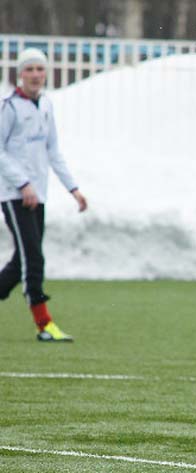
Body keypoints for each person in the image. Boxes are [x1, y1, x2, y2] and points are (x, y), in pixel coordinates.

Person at [0, 48, 88, 342]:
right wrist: (23, 184)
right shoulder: (9, 107)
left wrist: (73, 188)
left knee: (21, 261)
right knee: (33, 259)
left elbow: (53, 151)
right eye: (30, 69)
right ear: (20, 74)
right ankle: (44, 325)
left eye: (40, 69)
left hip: (39, 195)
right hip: (15, 195)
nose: (36, 75)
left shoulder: (46, 106)